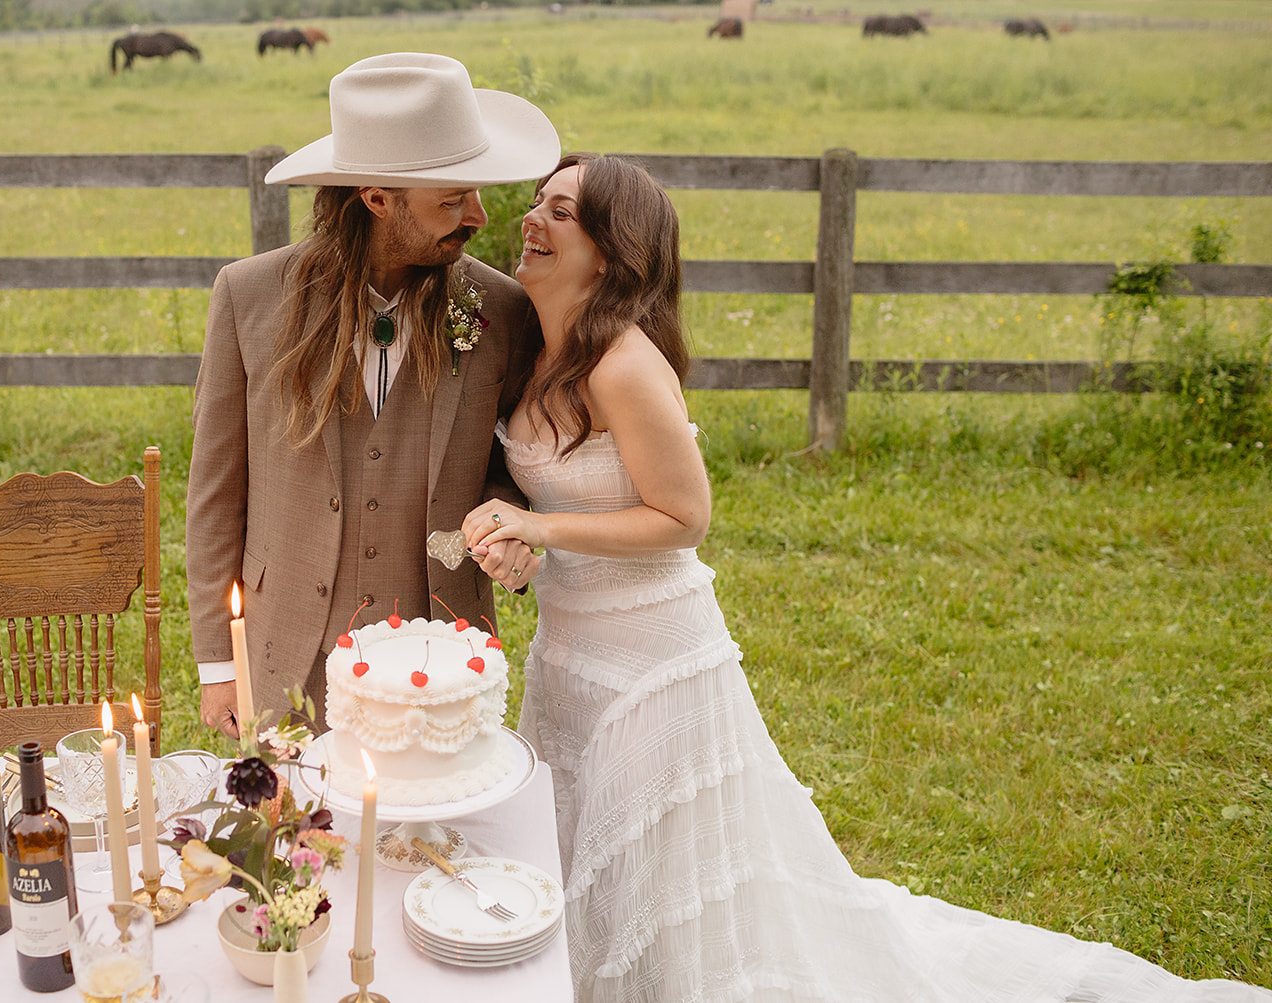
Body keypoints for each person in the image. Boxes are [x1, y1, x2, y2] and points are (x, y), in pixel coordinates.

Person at [463, 153, 1271, 1003]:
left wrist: (541, 527)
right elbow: (532, 473)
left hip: (651, 658)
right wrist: (509, 521)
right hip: (571, 647)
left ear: (612, 251)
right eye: (540, 204)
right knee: (585, 839)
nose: (532, 221)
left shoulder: (624, 365)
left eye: (561, 211)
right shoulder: (533, 349)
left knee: (657, 856)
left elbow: (683, 517)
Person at [187, 52, 559, 739]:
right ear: (377, 198)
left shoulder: (502, 309)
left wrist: (511, 521)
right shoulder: (249, 297)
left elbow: (514, 460)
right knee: (299, 838)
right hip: (285, 648)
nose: (477, 215)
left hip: (443, 651)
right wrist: (218, 662)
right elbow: (215, 488)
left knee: (439, 834)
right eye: (452, 199)